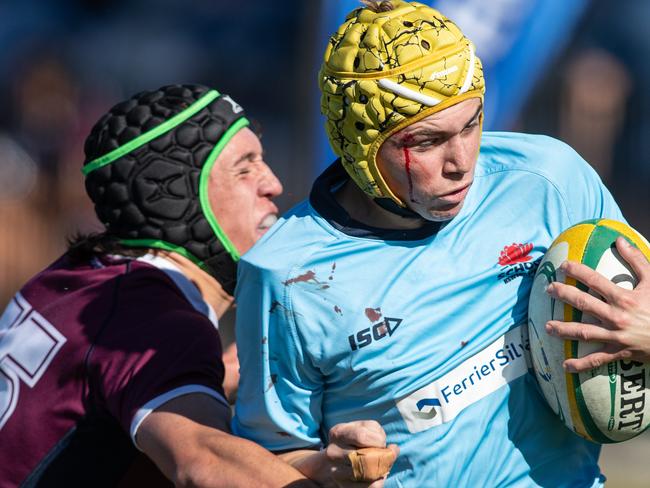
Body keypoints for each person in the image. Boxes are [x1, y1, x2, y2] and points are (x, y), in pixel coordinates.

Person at [232, 1, 650, 486]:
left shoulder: (546, 180)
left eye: (471, 125)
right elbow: (264, 462)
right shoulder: (286, 276)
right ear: (358, 145)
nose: (461, 162)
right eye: (426, 142)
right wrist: (326, 468)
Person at [0, 83, 395, 487]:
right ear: (177, 201)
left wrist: (220, 376)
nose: (273, 184)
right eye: (246, 168)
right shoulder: (157, 318)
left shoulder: (75, 278)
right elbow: (203, 463)